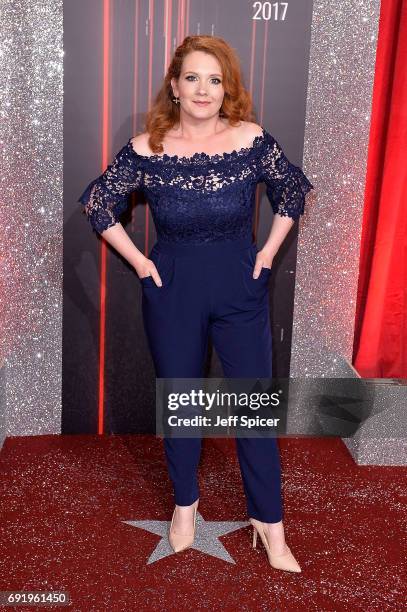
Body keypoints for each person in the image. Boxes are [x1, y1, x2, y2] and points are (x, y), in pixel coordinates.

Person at [78, 35, 313, 573]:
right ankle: (185, 506)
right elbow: (99, 204)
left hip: (239, 284)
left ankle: (269, 523)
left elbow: (292, 194)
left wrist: (268, 253)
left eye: (214, 79)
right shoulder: (146, 149)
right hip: (173, 287)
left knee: (253, 409)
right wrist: (140, 262)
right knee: (182, 403)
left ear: (226, 88)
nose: (204, 89)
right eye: (193, 78)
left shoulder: (251, 139)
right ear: (175, 87)